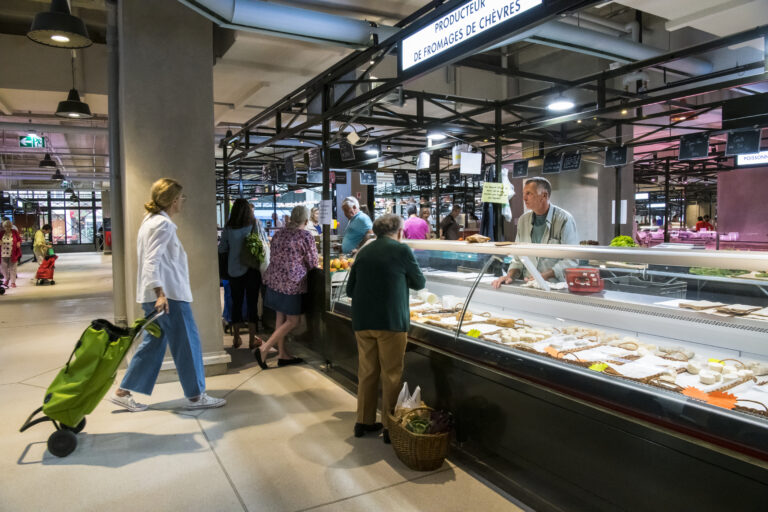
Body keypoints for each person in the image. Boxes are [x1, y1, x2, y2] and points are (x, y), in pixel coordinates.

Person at [110, 178, 225, 412]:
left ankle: (124, 391)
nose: (183, 201)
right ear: (173, 200)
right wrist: (160, 292)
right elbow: (151, 261)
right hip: (169, 296)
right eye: (181, 197)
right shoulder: (162, 225)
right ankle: (196, 395)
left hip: (155, 296)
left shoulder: (150, 222)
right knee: (187, 343)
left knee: (153, 344)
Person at [346, 214, 426, 443]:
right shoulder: (402, 250)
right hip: (391, 322)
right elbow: (420, 283)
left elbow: (351, 290)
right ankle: (391, 427)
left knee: (367, 372)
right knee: (391, 375)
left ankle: (363, 421)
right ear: (399, 231)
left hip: (363, 322)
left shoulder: (364, 252)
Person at [255, 205, 318, 369]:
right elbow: (313, 263)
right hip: (292, 283)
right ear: (305, 220)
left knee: (280, 318)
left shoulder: (279, 233)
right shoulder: (305, 236)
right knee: (293, 321)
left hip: (275, 280)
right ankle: (265, 348)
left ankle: (282, 354)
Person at [492, 177, 579, 287]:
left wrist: (543, 276)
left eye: (529, 193)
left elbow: (571, 260)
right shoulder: (523, 221)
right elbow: (518, 258)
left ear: (544, 195)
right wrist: (510, 275)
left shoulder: (564, 220)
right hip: (528, 285)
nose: (524, 198)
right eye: (524, 193)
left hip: (554, 288)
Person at [218, 198, 266, 350]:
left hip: (234, 270)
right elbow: (261, 243)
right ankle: (252, 340)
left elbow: (222, 249)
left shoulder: (229, 227)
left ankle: (236, 339)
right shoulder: (254, 224)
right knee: (252, 304)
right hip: (252, 269)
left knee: (236, 303)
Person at [1, 220, 22, 288]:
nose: (7, 228)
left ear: (11, 226)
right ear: (3, 227)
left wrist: (18, 242)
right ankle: (6, 279)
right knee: (3, 268)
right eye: (6, 227)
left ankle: (13, 282)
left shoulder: (14, 232)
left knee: (13, 268)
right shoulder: (1, 233)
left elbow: (19, 239)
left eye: (9, 226)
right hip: (3, 253)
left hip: (13, 253)